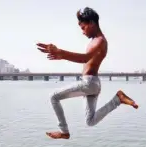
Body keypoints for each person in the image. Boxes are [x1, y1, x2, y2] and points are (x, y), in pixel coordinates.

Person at [36, 7, 138, 139]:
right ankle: (118, 99)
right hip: (92, 84)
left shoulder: (100, 41)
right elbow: (85, 59)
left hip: (89, 83)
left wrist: (60, 52)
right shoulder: (94, 41)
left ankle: (64, 131)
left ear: (91, 23)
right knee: (90, 121)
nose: (82, 32)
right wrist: (61, 56)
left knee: (53, 97)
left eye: (83, 28)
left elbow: (85, 58)